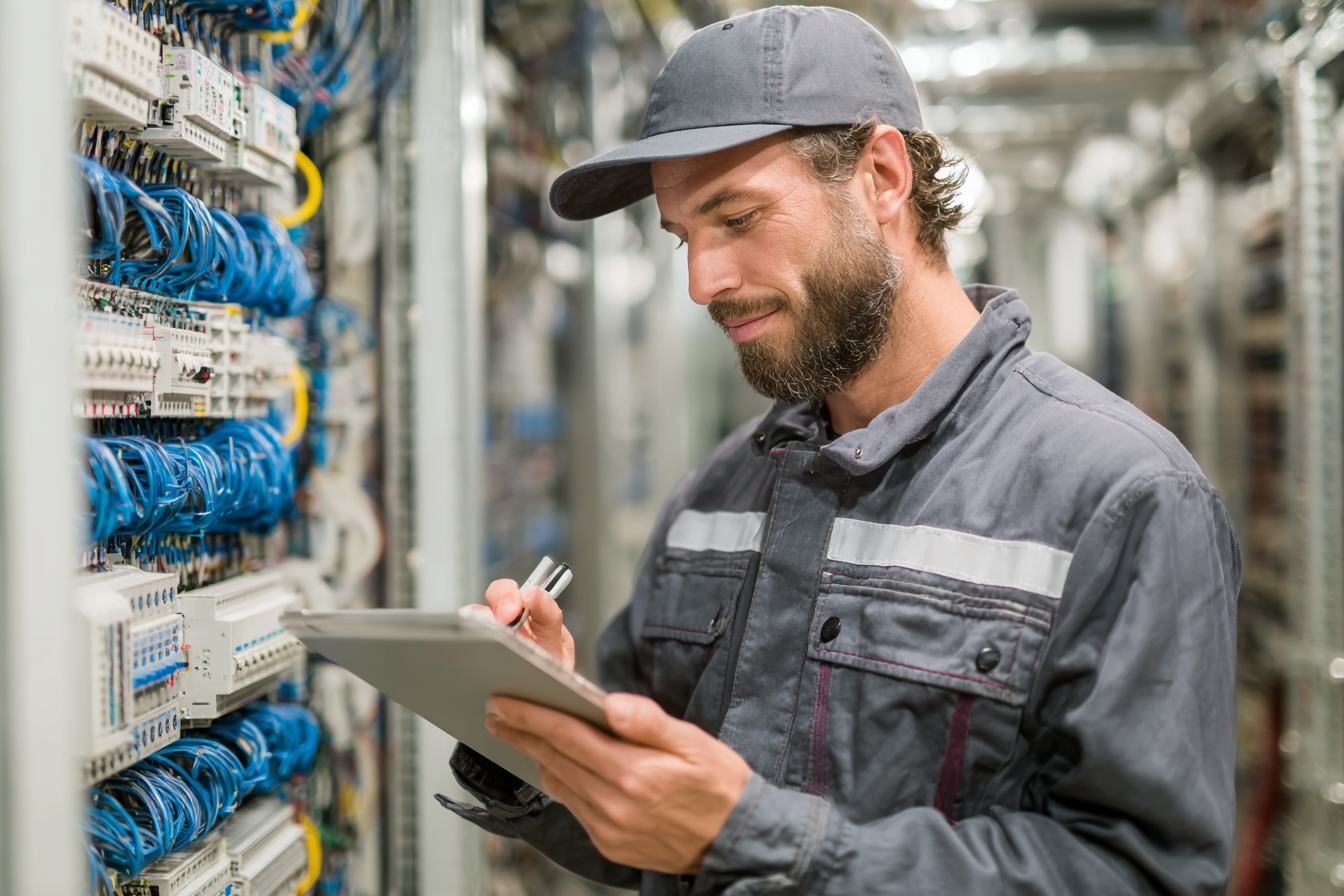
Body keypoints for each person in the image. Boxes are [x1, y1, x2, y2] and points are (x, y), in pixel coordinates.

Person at [438, 7, 1240, 895]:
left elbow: (1141, 874)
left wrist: (763, 839)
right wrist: (545, 733)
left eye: (737, 219)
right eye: (684, 239)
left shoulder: (1120, 497)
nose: (703, 281)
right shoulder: (717, 494)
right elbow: (655, 824)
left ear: (884, 177)